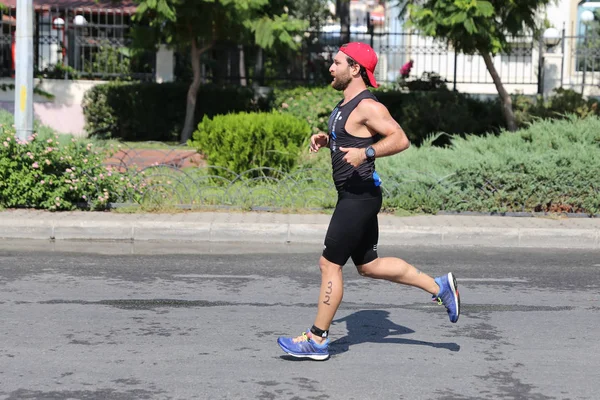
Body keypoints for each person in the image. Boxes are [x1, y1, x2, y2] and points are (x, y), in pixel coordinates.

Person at [277, 42, 460, 361]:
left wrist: (367, 152)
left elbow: (400, 138)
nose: (331, 68)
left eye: (337, 63)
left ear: (355, 69)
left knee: (329, 264)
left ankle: (317, 340)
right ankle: (439, 287)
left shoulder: (367, 105)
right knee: (369, 266)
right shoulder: (345, 104)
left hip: (358, 197)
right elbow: (349, 137)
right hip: (357, 195)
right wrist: (328, 139)